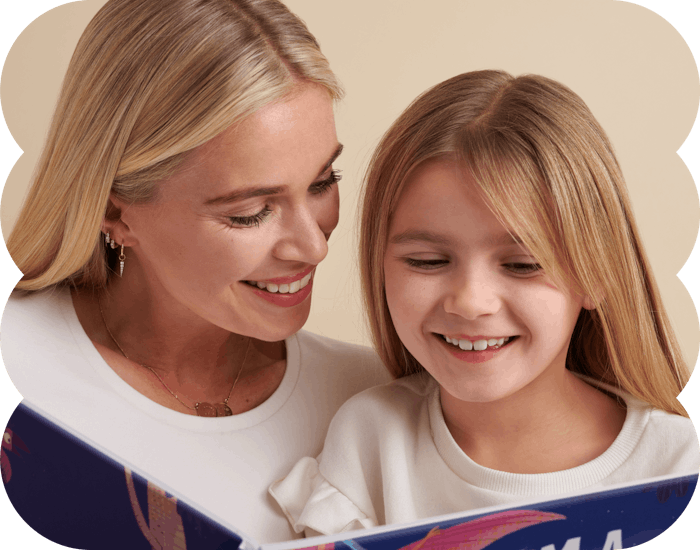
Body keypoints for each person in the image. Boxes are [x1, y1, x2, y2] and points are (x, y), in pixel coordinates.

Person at [0, 0, 388, 544]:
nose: (313, 246)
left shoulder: (378, 400)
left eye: (324, 181)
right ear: (115, 213)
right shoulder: (15, 365)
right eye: (250, 212)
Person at [270, 70, 700, 536]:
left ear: (595, 273)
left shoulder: (677, 462)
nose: (471, 303)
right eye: (428, 260)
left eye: (522, 265)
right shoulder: (370, 438)